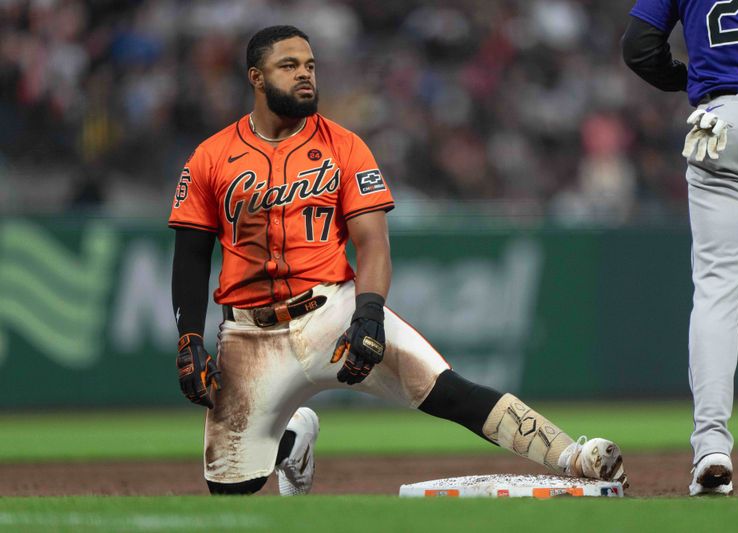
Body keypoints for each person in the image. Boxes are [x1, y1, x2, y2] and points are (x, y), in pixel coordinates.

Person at [169, 25, 627, 496]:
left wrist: (368, 311)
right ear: (256, 78)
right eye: (289, 66)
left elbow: (372, 243)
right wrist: (189, 339)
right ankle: (292, 441)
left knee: (444, 389)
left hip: (331, 310)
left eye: (310, 66)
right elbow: (191, 256)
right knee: (231, 489)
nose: (305, 75)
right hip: (249, 334)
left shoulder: (344, 146)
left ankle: (573, 455)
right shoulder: (211, 157)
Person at [622, 0, 738, 496]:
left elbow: (638, 47)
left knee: (718, 295)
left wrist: (689, 77)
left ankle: (711, 448)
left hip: (720, 123)